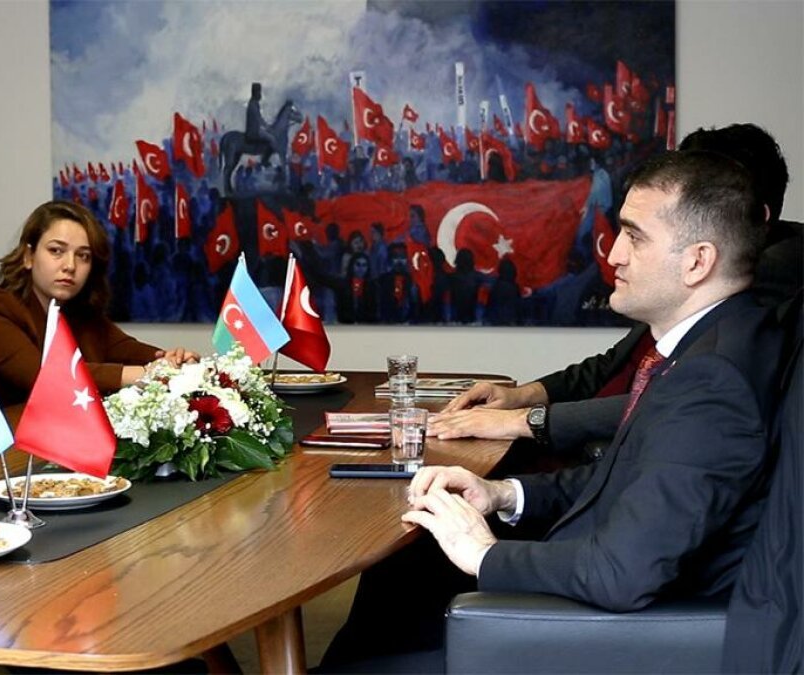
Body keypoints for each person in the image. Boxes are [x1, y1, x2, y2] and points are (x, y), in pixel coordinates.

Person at [322, 151, 786, 669]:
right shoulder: (716, 344)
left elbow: (623, 572)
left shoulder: (712, 381)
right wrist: (502, 493)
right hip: (596, 571)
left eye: (634, 237)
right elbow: (629, 478)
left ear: (697, 262)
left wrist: (484, 552)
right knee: (406, 560)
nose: (614, 255)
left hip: (604, 630)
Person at [431, 123, 797, 446]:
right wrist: (521, 396)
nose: (614, 257)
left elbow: (679, 398)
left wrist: (524, 420)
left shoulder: (772, 272)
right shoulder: (668, 291)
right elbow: (613, 364)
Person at [0, 200, 198, 407]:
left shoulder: (80, 313)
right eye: (56, 251)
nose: (70, 266)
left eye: (83, 256)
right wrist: (146, 374)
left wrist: (174, 361)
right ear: (28, 256)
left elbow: (131, 350)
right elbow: (44, 377)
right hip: (14, 433)